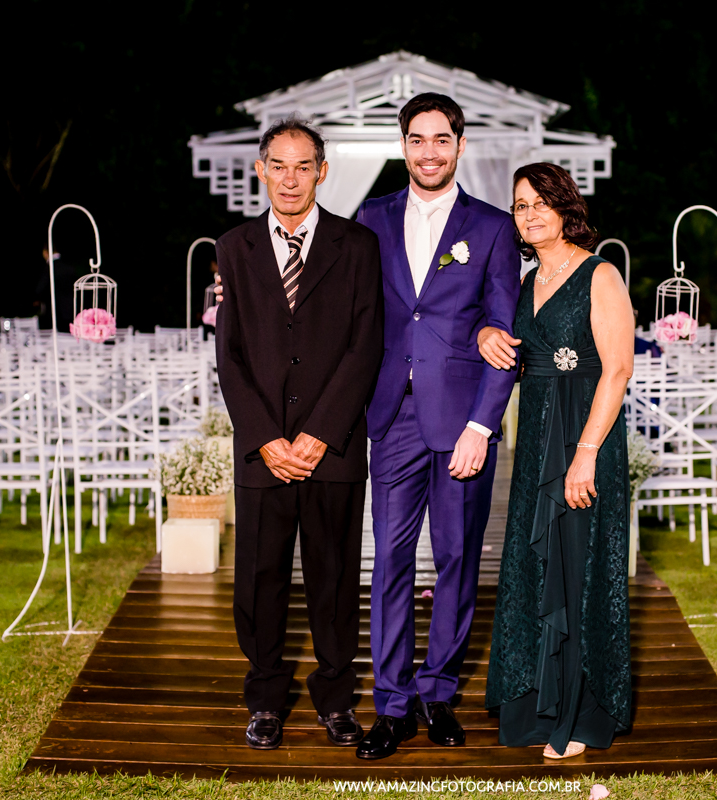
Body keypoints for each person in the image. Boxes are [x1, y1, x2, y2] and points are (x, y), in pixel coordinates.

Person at [353, 93, 522, 759]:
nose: (429, 151)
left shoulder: (491, 227)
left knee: (456, 559)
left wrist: (484, 424)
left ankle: (439, 691)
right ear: (404, 146)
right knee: (390, 562)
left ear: (459, 145)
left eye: (441, 140)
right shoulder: (370, 218)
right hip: (391, 416)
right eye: (417, 140)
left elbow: (504, 331)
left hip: (462, 426)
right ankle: (391, 703)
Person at [213, 116, 383, 751]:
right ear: (261, 170)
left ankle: (337, 699)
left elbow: (366, 346)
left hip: (331, 449)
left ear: (322, 171)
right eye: (277, 165)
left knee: (335, 578)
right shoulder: (234, 247)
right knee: (259, 578)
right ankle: (263, 699)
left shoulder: (357, 246)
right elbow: (230, 356)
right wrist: (264, 437)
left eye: (301, 165)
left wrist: (319, 433)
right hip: (263, 452)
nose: (289, 177)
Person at [478, 162, 634, 759]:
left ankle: (578, 713)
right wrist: (481, 338)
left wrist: (586, 455)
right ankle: (536, 709)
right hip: (536, 443)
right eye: (520, 205)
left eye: (541, 201)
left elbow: (617, 369)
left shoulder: (599, 274)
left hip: (585, 438)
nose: (531, 213)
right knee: (536, 570)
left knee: (579, 569)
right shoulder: (523, 284)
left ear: (565, 207)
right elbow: (507, 352)